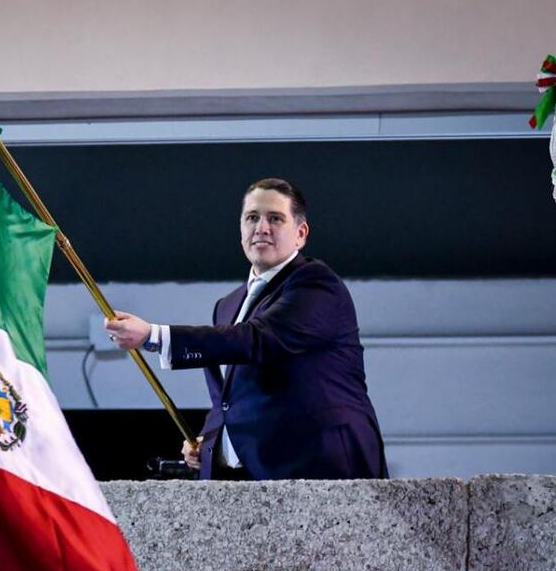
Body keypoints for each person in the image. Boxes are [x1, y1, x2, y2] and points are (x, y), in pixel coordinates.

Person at [105, 178, 387, 481]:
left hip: (322, 469)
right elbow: (229, 401)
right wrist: (213, 443)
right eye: (252, 217)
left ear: (301, 234)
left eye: (275, 218)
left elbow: (257, 340)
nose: (261, 227)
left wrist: (153, 336)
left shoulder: (316, 284)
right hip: (254, 479)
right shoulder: (227, 306)